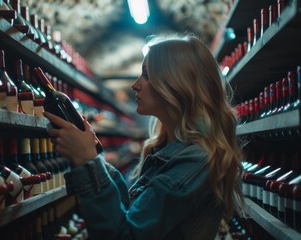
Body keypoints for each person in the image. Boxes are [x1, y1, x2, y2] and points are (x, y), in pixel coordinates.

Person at [43, 33, 244, 240]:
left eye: (147, 75)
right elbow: (131, 213)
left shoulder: (196, 161)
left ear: (176, 84)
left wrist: (88, 162)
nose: (135, 85)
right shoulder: (169, 150)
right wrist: (93, 157)